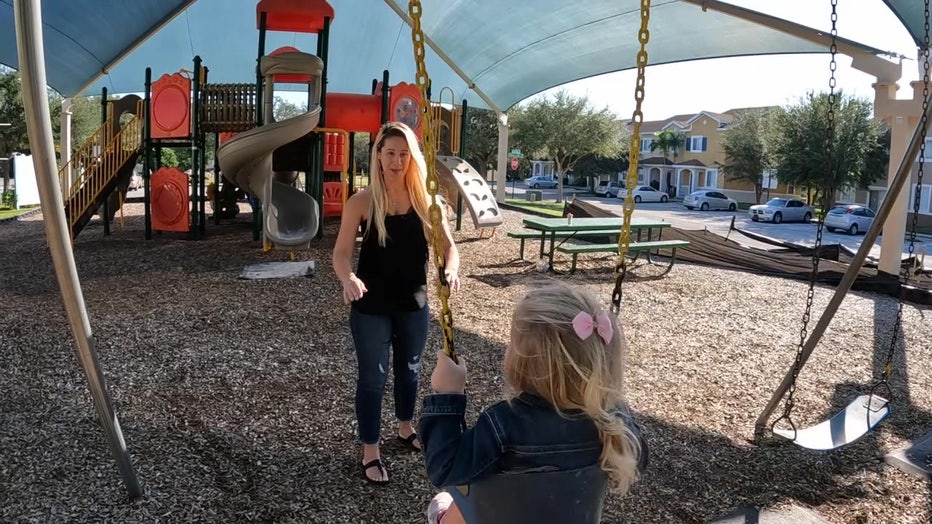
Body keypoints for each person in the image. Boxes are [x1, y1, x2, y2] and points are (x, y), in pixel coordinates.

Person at [420, 283, 646, 523]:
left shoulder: (505, 424)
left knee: (470, 491)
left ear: (525, 364)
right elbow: (639, 459)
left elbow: (444, 467)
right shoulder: (611, 419)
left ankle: (444, 519)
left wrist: (447, 393)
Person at [332, 121, 461, 485]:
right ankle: (370, 449)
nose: (397, 161)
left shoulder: (426, 202)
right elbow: (341, 254)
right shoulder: (361, 202)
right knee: (373, 377)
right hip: (371, 305)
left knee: (410, 369)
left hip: (412, 302)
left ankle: (405, 427)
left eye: (404, 154)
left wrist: (450, 271)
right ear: (378, 155)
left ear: (413, 158)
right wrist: (348, 278)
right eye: (390, 153)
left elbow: (450, 248)